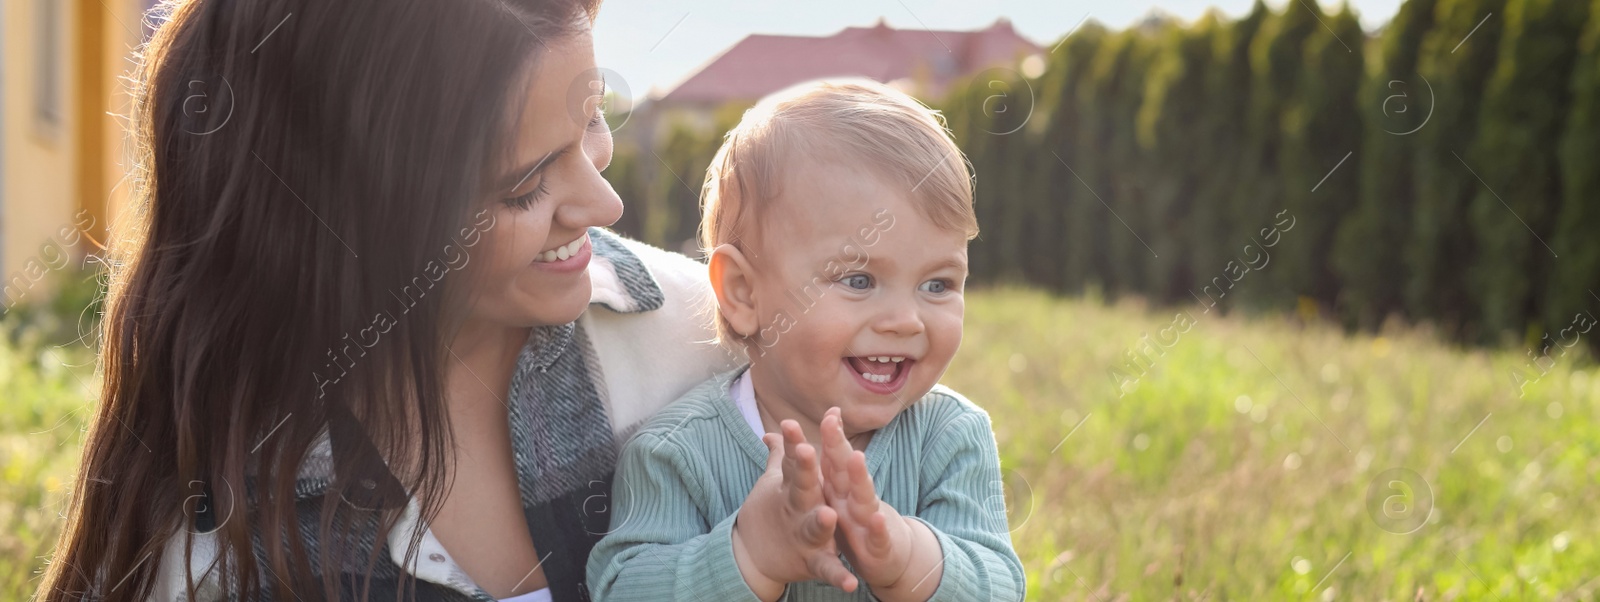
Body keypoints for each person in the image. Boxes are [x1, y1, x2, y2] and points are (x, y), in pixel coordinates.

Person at [34, 0, 737, 600]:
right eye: (524, 186)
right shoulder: (205, 518)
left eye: (592, 119)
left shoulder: (713, 337)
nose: (604, 202)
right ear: (353, 213)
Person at [586, 80, 1026, 601]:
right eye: (859, 280)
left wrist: (907, 557)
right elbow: (624, 590)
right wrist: (748, 555)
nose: (907, 321)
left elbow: (998, 586)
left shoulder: (949, 437)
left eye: (938, 284)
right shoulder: (675, 455)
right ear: (744, 293)